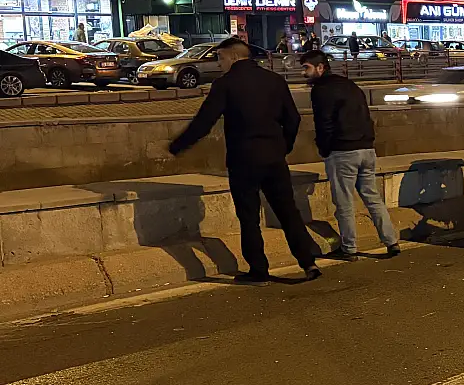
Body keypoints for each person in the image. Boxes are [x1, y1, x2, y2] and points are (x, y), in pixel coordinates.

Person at [168, 38, 321, 284]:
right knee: (288, 212)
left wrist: (178, 146)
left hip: (243, 159)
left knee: (249, 217)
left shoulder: (225, 84)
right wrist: (283, 147)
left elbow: (204, 122)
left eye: (220, 58)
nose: (219, 64)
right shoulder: (274, 80)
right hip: (274, 157)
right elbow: (292, 119)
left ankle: (259, 270)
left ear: (233, 57)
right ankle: (308, 262)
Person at [301, 50, 401, 261]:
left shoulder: (321, 90)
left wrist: (324, 148)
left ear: (321, 67)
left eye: (306, 68)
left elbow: (324, 123)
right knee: (372, 198)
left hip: (343, 151)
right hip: (366, 149)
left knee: (344, 202)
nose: (303, 73)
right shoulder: (350, 85)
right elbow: (365, 115)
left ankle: (349, 248)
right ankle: (391, 242)